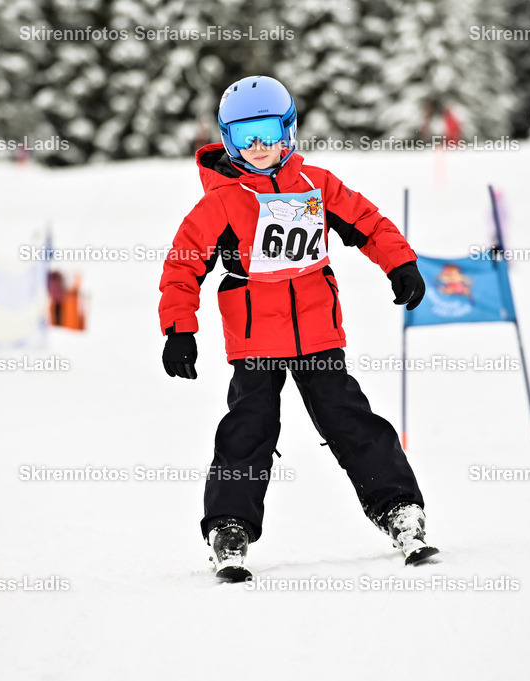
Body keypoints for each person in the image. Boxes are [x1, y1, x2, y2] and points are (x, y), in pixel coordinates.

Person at [159, 75, 437, 581]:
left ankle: (398, 508)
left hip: (317, 329)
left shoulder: (317, 185)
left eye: (267, 131)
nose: (258, 147)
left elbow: (369, 222)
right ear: (226, 139)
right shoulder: (220, 202)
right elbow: (183, 265)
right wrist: (180, 329)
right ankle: (229, 526)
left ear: (289, 131)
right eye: (244, 136)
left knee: (350, 419)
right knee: (249, 428)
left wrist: (401, 264)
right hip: (253, 336)